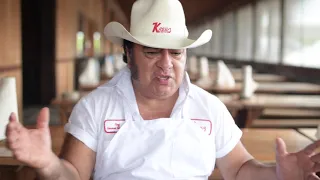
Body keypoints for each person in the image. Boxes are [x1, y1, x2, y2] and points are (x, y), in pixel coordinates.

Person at [5, 0, 320, 179]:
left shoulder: (209, 108)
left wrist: (278, 173)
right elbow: (72, 174)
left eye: (177, 52)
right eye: (153, 51)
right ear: (128, 54)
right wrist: (47, 163)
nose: (166, 64)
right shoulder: (96, 107)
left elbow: (239, 169)